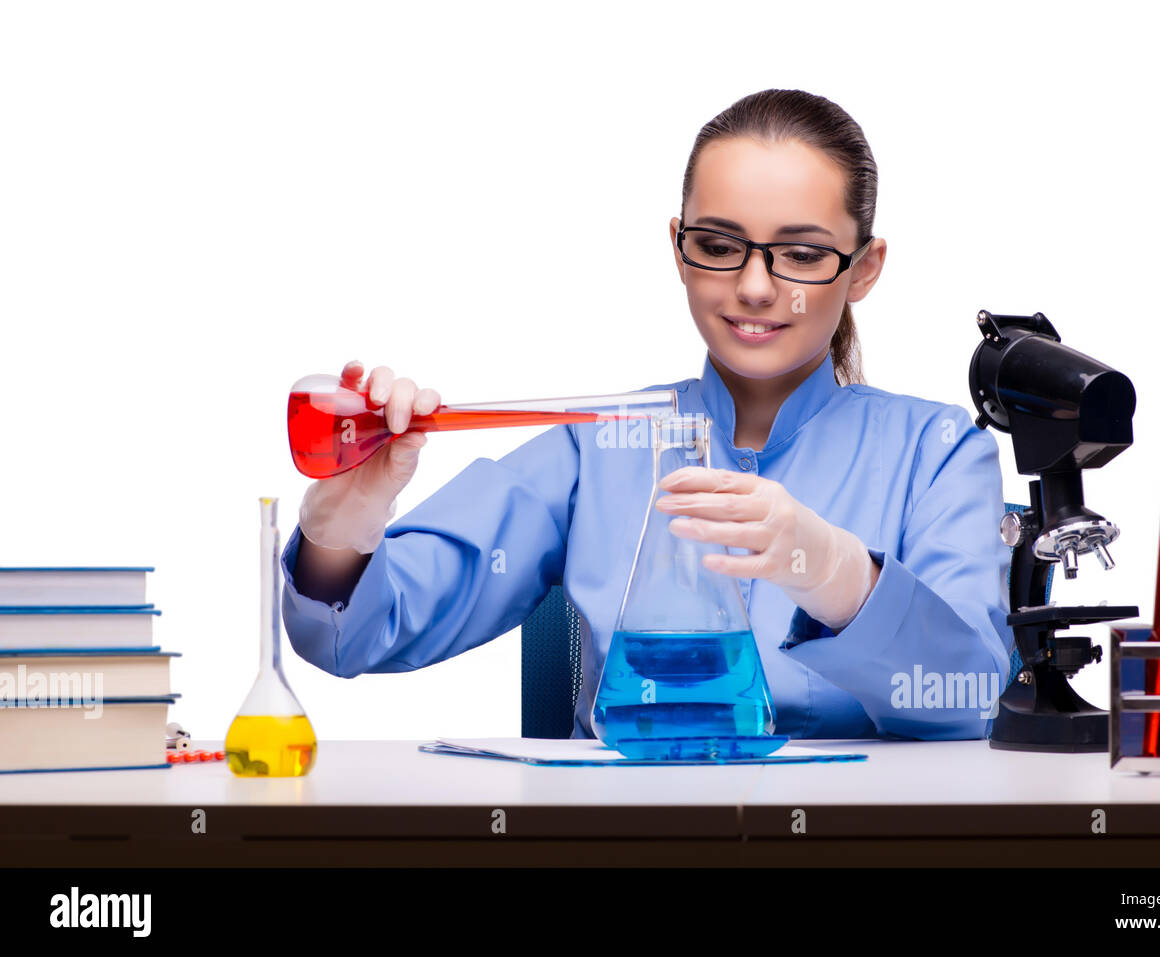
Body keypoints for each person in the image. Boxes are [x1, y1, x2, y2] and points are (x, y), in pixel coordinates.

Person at [283, 88, 1014, 741]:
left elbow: (973, 696)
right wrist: (344, 524)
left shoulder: (938, 451)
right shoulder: (596, 444)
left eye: (800, 253)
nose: (755, 287)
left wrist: (836, 571)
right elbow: (356, 639)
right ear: (678, 247)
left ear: (864, 267)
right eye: (720, 246)